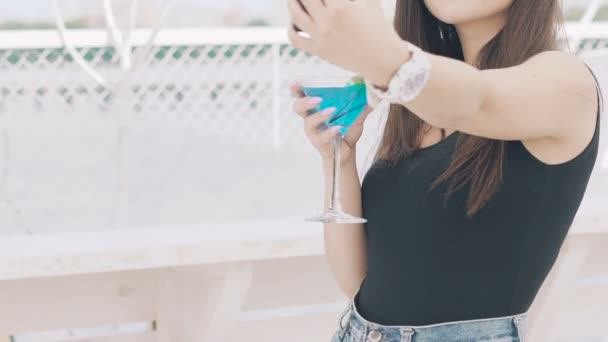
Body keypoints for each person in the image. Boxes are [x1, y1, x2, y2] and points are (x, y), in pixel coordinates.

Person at [288, 0, 601, 341]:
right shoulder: (420, 108)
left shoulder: (566, 82)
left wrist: (378, 51)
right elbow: (357, 281)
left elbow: (476, 101)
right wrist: (340, 158)